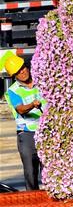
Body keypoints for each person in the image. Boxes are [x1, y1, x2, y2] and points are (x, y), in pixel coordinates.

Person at [5, 52, 44, 190]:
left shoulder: (42, 80)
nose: (23, 72)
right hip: (27, 135)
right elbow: (20, 109)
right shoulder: (13, 91)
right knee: (30, 173)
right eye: (18, 72)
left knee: (48, 170)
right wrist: (32, 105)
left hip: (45, 131)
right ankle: (33, 201)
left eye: (23, 68)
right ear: (14, 76)